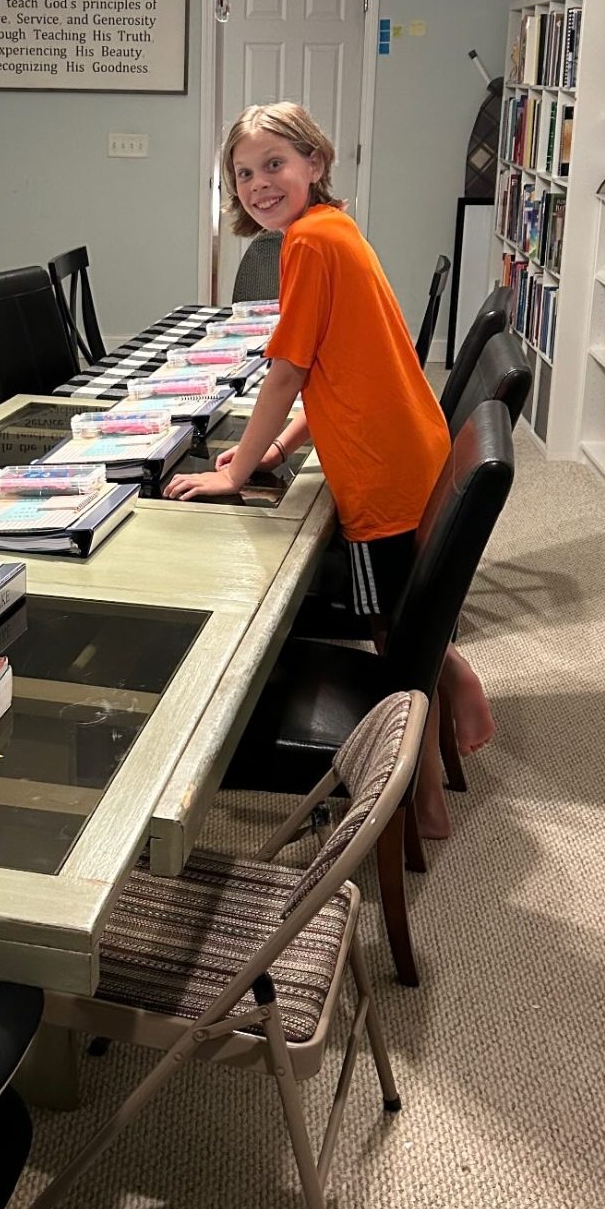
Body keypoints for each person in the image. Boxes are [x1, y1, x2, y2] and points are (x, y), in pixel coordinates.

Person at [163, 100, 494, 836]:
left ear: (315, 162)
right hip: (411, 447)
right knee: (403, 612)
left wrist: (235, 470)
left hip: (379, 476)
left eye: (274, 164)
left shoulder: (308, 246)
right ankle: (450, 680)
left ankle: (423, 794)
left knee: (389, 630)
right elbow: (338, 367)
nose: (258, 183)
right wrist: (279, 448)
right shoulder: (335, 228)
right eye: (243, 173)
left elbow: (285, 372)